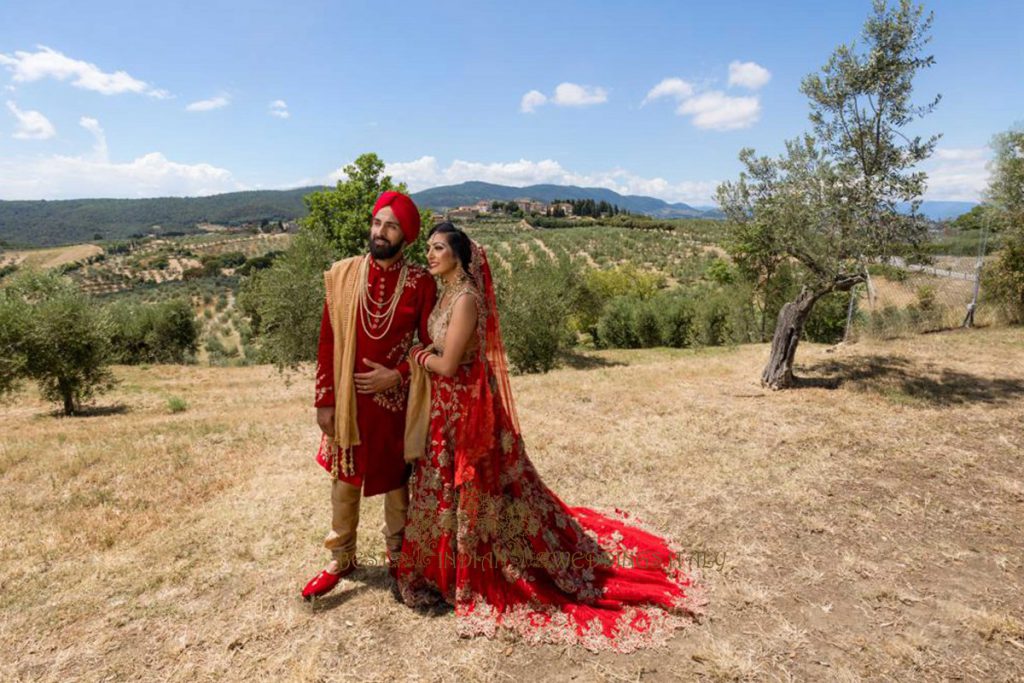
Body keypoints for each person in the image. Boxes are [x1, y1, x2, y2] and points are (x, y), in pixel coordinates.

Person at [396, 222, 707, 652]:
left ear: (459, 256)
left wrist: (416, 354)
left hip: (466, 409)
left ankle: (475, 572)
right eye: (428, 248)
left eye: (438, 248)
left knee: (476, 489)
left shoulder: (465, 298)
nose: (429, 255)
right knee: (448, 487)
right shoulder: (447, 291)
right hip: (446, 408)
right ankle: (444, 569)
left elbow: (448, 365)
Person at [301, 191, 437, 601]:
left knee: (396, 482)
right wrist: (324, 398)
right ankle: (341, 557)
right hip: (347, 402)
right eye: (377, 223)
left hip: (395, 406)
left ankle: (399, 557)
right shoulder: (344, 274)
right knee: (344, 478)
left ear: (406, 236)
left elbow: (431, 346)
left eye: (391, 226)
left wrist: (396, 376)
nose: (380, 232)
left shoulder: (420, 284)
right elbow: (328, 340)